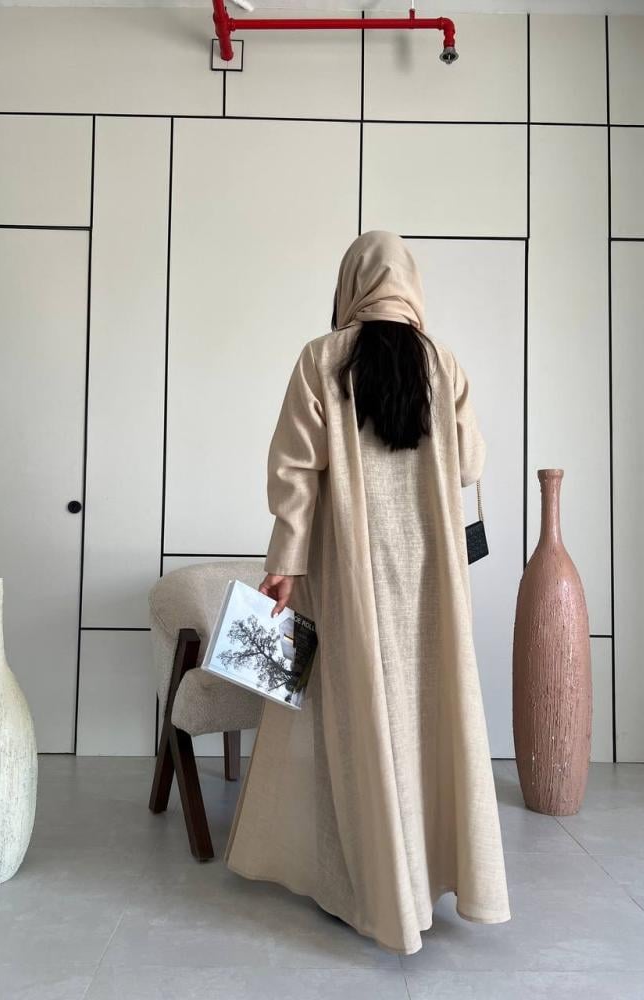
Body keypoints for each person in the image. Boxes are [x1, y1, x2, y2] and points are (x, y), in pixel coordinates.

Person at [224, 229, 510, 955]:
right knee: (429, 714)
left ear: (351, 284)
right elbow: (470, 462)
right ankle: (427, 875)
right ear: (410, 284)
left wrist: (286, 562)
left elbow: (294, 472)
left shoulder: (321, 359)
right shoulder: (442, 363)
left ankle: (369, 886)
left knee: (352, 718)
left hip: (348, 570)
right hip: (432, 575)